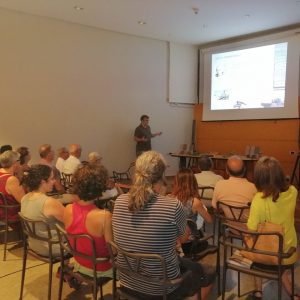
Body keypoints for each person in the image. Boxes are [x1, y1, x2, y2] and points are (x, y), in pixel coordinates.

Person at [112, 151, 214, 300]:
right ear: (162, 175)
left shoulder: (120, 201)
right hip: (163, 287)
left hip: (127, 279)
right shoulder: (172, 205)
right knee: (209, 273)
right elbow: (183, 239)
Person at [247, 156, 299, 300]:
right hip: (290, 252)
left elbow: (251, 228)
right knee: (282, 270)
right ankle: (293, 294)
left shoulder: (259, 199)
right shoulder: (293, 191)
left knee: (251, 246)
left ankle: (258, 292)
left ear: (259, 179)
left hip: (269, 255)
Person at [63, 163, 113, 278]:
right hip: (101, 268)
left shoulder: (68, 208)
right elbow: (113, 251)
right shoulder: (104, 216)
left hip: (79, 261)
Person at [20, 164, 65, 256]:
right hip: (54, 247)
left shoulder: (24, 198)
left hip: (34, 245)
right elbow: (72, 222)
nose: (54, 181)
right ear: (42, 182)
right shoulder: (50, 202)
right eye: (52, 178)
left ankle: (65, 267)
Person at [172, 168, 213, 257]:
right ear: (193, 183)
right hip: (189, 245)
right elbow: (209, 220)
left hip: (173, 244)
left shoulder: (170, 199)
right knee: (205, 242)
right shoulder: (195, 202)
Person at [0, 150, 25, 229]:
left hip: (3, 212)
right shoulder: (11, 179)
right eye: (19, 161)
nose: (20, 163)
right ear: (15, 163)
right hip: (12, 215)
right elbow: (24, 201)